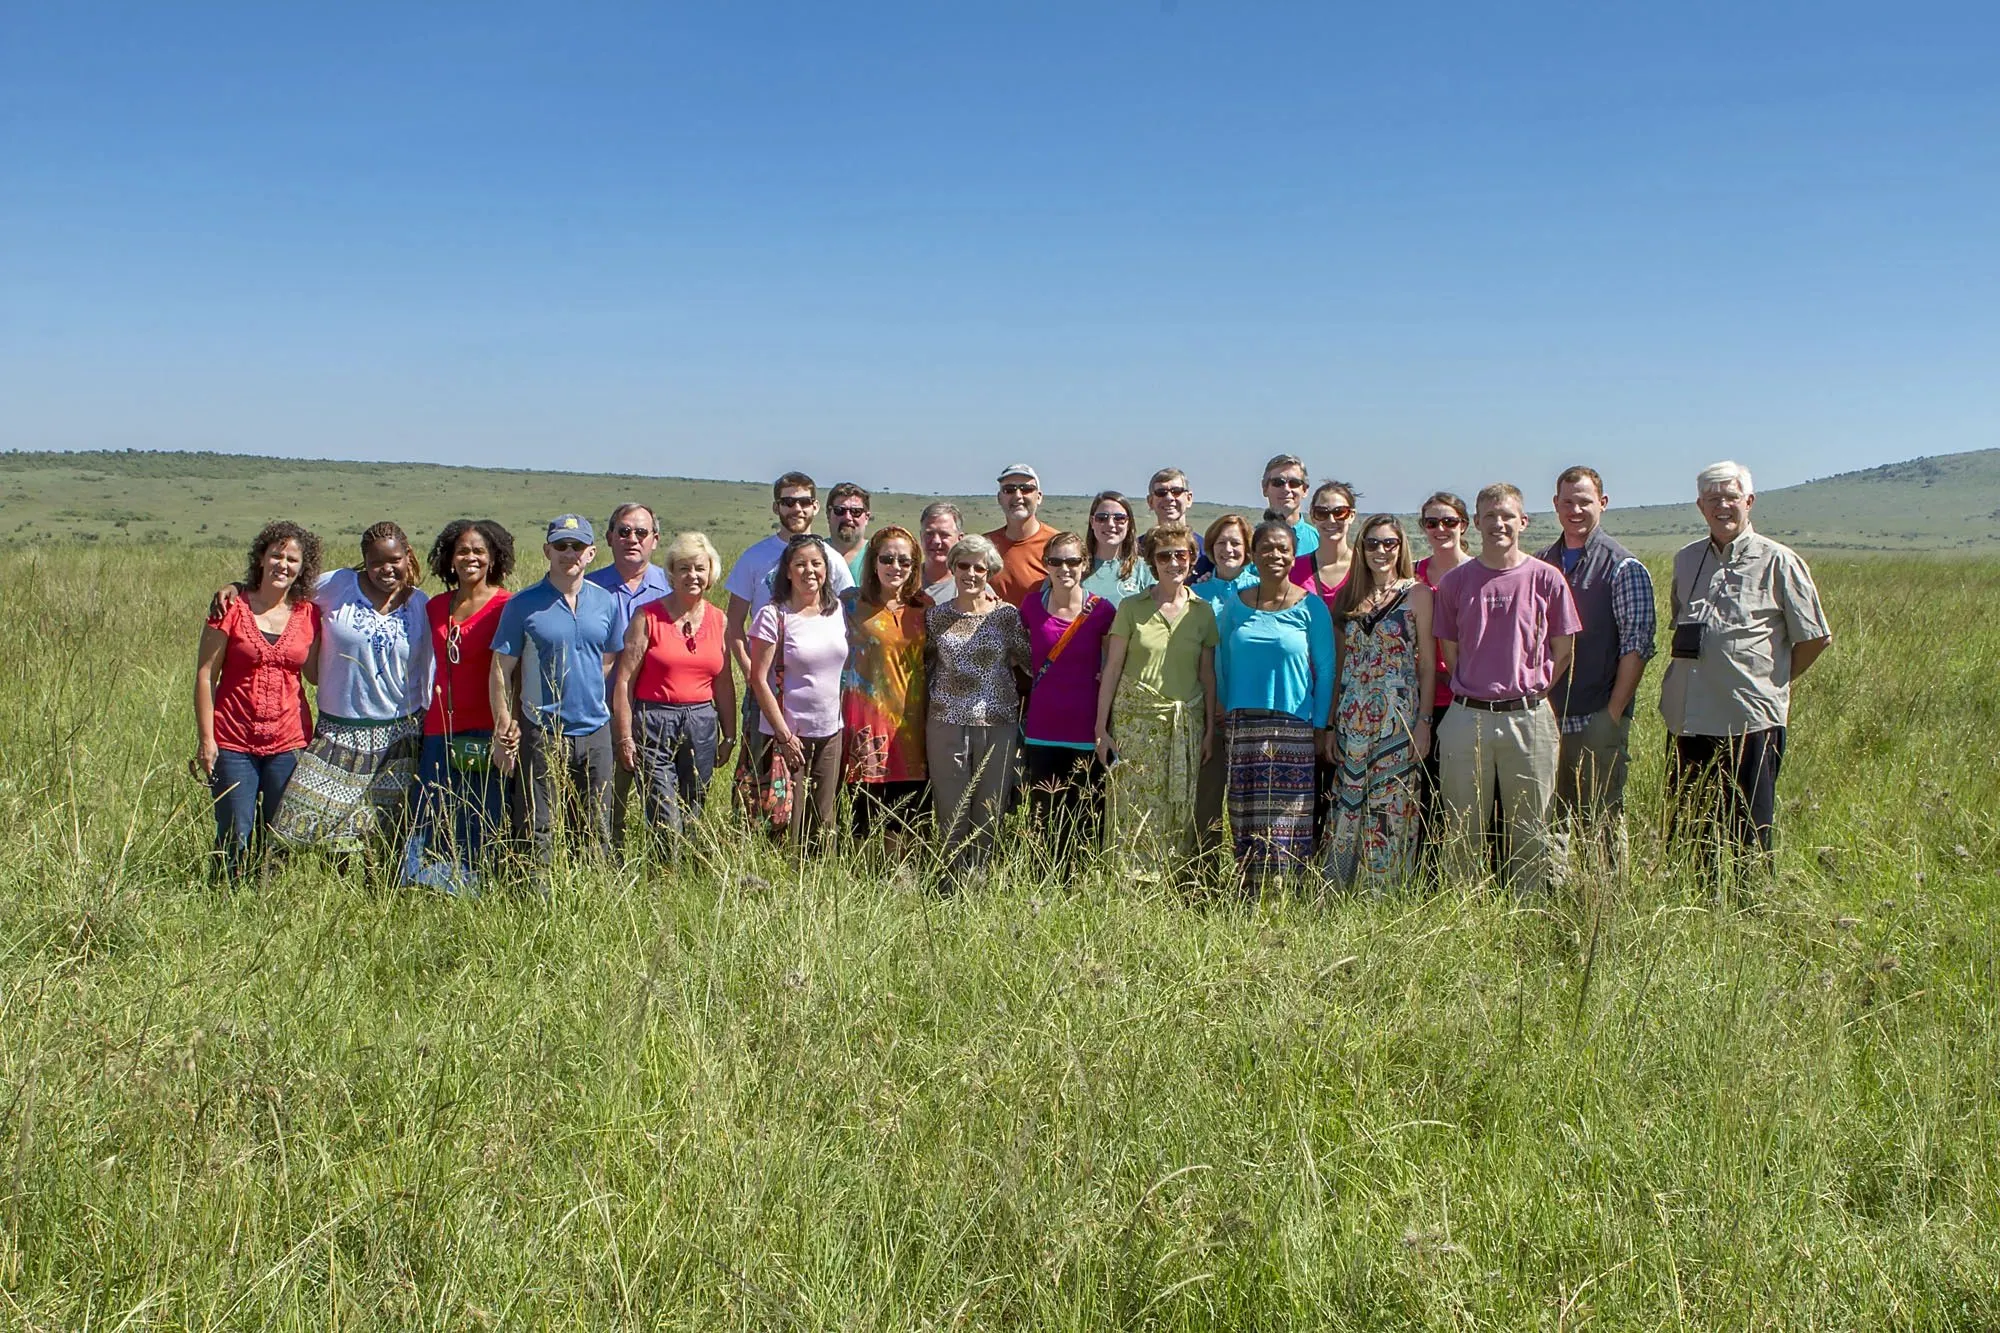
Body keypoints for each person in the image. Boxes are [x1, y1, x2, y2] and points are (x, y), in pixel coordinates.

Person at [1660, 460, 1831, 871]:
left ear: (1749, 502)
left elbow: (1814, 638)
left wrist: (1770, 683)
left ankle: (1751, 913)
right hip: (1688, 716)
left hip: (1749, 720)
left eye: (1731, 497)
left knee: (1749, 835)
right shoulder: (1686, 560)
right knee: (1690, 832)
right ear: (1700, 507)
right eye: (1712, 499)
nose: (1723, 506)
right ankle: (1696, 908)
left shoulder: (1779, 561)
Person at [1432, 484, 1581, 894]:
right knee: (1463, 826)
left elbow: (1563, 649)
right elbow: (1451, 650)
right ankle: (1463, 913)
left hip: (1529, 718)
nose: (1499, 523)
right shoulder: (1456, 583)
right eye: (1490, 516)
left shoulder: (1546, 579)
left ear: (1523, 521)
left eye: (1507, 516)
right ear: (1475, 523)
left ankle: (1527, 915)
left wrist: (1527, 691)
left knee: (1531, 828)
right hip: (1467, 717)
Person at [269, 521, 433, 857]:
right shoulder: (338, 585)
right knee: (292, 828)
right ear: (364, 561)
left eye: (395, 560)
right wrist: (236, 588)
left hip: (398, 737)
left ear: (407, 557)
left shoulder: (421, 605)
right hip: (337, 732)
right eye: (376, 562)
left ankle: (373, 902)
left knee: (379, 839)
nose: (386, 570)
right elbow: (282, 588)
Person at [1537, 467, 1657, 875]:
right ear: (1555, 505)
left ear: (1602, 504)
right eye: (1567, 501)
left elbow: (1637, 647)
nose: (1575, 510)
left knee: (1601, 819)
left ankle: (1604, 905)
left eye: (1584, 501)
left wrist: (1614, 713)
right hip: (1547, 717)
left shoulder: (1624, 568)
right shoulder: (1541, 564)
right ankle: (1554, 902)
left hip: (1597, 715)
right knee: (1550, 816)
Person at [193, 521, 323, 881]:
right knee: (234, 830)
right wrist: (207, 741)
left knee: (281, 834)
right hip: (233, 739)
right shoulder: (231, 608)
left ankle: (267, 905)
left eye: (292, 559)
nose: (283, 565)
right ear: (262, 559)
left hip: (289, 740)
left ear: (303, 567)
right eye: (276, 555)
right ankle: (223, 900)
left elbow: (313, 675)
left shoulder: (310, 614)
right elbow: (206, 676)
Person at [491, 515, 624, 863]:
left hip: (596, 729)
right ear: (547, 550)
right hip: (544, 730)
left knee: (596, 823)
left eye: (577, 546)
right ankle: (539, 897)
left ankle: (593, 896)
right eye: (561, 546)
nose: (570, 553)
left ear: (592, 553)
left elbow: (607, 657)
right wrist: (504, 723)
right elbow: (501, 669)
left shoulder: (606, 603)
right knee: (539, 824)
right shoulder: (523, 604)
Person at [1215, 521, 1334, 889]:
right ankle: (1248, 891)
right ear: (1253, 555)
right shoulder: (1236, 606)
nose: (1275, 556)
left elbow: (1327, 670)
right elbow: (1220, 660)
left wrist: (1321, 727)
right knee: (1245, 810)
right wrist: (1222, 709)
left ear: (1293, 553)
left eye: (1283, 549)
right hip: (1242, 723)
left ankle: (1287, 893)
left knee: (1289, 814)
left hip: (1293, 725)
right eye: (1266, 548)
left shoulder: (1310, 607)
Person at [1095, 524, 1219, 870]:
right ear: (1152, 562)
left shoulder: (1202, 612)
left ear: (1193, 560)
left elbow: (1206, 675)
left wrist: (1209, 730)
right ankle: (1129, 885)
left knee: (1179, 807)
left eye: (1181, 555)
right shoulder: (1132, 608)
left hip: (1186, 724)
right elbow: (1113, 668)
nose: (1174, 562)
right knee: (1133, 807)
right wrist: (1101, 729)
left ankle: (1172, 882)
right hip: (1136, 725)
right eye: (1164, 556)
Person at [1322, 516, 1435, 889]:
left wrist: (1424, 723)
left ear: (1401, 547)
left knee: (1391, 807)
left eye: (1389, 543)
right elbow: (1340, 667)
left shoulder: (1417, 595)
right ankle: (1339, 891)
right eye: (1372, 543)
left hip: (1398, 722)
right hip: (1352, 720)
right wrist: (1330, 726)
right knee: (1347, 805)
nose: (1381, 551)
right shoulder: (1349, 596)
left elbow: (1428, 668)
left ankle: (1382, 896)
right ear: (1361, 548)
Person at [403, 519, 514, 892]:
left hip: (486, 728)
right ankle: (427, 885)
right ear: (450, 558)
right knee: (431, 811)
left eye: (479, 551)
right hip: (439, 727)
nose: (471, 557)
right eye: (463, 550)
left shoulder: (507, 605)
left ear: (493, 558)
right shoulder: (434, 607)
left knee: (480, 811)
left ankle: (476, 887)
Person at [611, 530, 737, 856]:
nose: (692, 576)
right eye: (683, 568)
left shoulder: (719, 620)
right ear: (671, 573)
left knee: (694, 807)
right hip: (655, 719)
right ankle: (664, 875)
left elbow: (723, 682)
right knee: (663, 808)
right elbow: (624, 680)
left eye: (699, 568)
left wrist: (729, 734)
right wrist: (625, 736)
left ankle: (688, 875)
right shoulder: (647, 616)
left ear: (711, 574)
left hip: (702, 721)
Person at [724, 473, 856, 778]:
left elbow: (847, 621)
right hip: (766, 690)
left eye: (804, 502)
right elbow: (733, 625)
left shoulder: (831, 560)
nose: (796, 509)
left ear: (814, 506)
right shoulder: (754, 558)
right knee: (763, 780)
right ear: (776, 507)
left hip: (818, 697)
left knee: (818, 786)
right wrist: (752, 674)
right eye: (788, 502)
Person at [925, 534, 1032, 882]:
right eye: (964, 566)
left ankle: (980, 882)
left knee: (990, 809)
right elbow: (923, 667)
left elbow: (1031, 662)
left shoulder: (1006, 617)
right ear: (953, 568)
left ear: (990, 573)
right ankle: (948, 883)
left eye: (979, 568)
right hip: (946, 721)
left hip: (997, 722)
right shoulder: (935, 618)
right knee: (950, 809)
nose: (971, 573)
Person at [1020, 530, 1118, 866]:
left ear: (1085, 564)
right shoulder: (1031, 606)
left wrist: (1105, 727)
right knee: (1043, 820)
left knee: (1086, 821)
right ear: (1046, 565)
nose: (1065, 568)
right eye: (1056, 561)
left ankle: (1081, 889)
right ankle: (1041, 889)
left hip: (1087, 733)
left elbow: (1112, 667)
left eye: (1072, 561)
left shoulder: (1103, 611)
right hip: (1041, 731)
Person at [747, 534, 850, 848]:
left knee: (824, 820)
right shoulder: (773, 616)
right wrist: (783, 735)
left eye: (816, 563)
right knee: (785, 819)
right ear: (787, 571)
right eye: (800, 564)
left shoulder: (837, 612)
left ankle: (820, 885)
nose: (810, 571)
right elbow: (758, 679)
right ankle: (783, 885)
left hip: (830, 730)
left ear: (826, 569)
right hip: (786, 736)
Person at [840, 525, 931, 853]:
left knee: (907, 814)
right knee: (863, 816)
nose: (896, 567)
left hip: (911, 726)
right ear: (873, 563)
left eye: (905, 561)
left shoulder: (924, 607)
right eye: (887, 558)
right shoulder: (849, 604)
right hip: (864, 727)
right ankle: (862, 882)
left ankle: (900, 885)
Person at [585, 502, 670, 851]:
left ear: (655, 539)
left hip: (657, 712)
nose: (631, 539)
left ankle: (662, 871)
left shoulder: (672, 588)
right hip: (601, 712)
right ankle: (606, 868)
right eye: (623, 531)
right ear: (609, 538)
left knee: (664, 804)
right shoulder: (588, 589)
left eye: (641, 532)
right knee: (604, 800)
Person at [1189, 513, 1259, 855]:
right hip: (1208, 716)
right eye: (1220, 543)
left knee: (1253, 807)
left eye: (1236, 543)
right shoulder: (1195, 595)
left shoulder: (1263, 591)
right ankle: (1202, 884)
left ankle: (1253, 882)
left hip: (1252, 714)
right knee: (1206, 806)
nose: (1228, 549)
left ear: (1247, 549)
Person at [1413, 491, 1472, 822]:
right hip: (1420, 699)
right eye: (1432, 522)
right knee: (1425, 795)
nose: (1440, 529)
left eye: (1449, 521)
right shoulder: (1411, 573)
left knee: (1465, 792)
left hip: (1465, 696)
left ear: (1463, 525)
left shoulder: (1478, 572)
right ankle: (1427, 872)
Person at [985, 463, 1054, 606]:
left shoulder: (1056, 545)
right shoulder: (984, 546)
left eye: (1026, 489)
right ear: (999, 498)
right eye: (1009, 490)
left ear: (1039, 497)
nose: (1018, 496)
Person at [1290, 479, 1359, 608]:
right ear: (1312, 516)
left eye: (1340, 512)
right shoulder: (1294, 570)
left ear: (1351, 515)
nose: (1331, 520)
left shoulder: (1364, 569)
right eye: (1322, 513)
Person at [1080, 491, 1154, 601]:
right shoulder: (1075, 566)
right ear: (1092, 522)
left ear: (1128, 523)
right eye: (1102, 518)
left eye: (1119, 518)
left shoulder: (1144, 570)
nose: (1110, 524)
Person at [1258, 454, 1320, 558]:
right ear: (1265, 488)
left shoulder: (1319, 542)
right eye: (1278, 482)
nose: (1286, 489)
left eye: (1294, 483)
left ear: (1304, 490)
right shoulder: (1251, 541)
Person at [918, 502, 964, 605]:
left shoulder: (972, 586)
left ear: (960, 539)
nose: (936, 541)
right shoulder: (904, 582)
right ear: (921, 537)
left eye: (944, 534)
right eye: (929, 534)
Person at [825, 482, 873, 581]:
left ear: (867, 517)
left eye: (856, 512)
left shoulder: (878, 556)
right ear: (828, 514)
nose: (847, 517)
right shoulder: (816, 553)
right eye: (839, 510)